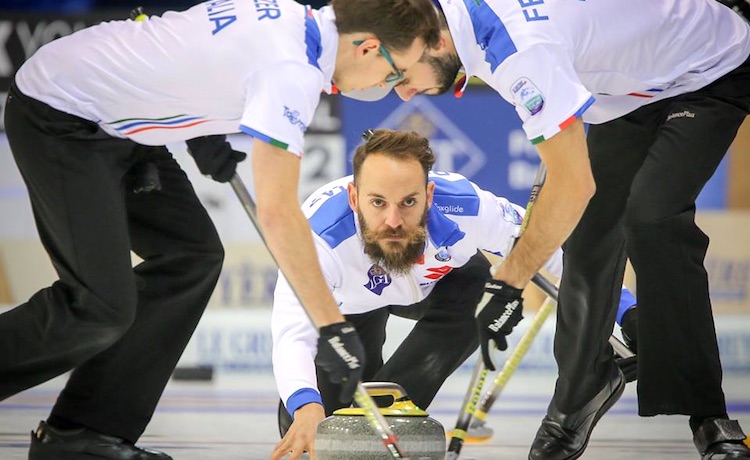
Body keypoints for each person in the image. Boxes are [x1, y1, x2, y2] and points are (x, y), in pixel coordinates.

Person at [0, 1, 440, 459]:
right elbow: (277, 213)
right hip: (62, 113)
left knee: (191, 257)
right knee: (96, 306)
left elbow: (190, 44)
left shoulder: (294, 17)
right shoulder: (292, 70)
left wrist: (201, 128)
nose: (394, 88)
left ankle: (83, 435)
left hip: (120, 123)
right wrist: (331, 326)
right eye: (396, 74)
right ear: (368, 48)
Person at [390, 1, 750, 459]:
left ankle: (708, 413)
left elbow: (571, 182)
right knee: (587, 235)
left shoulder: (516, 47)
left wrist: (508, 284)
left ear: (436, 42)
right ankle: (580, 392)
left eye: (401, 74)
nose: (404, 94)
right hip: (628, 92)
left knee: (652, 216)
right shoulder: (458, 25)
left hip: (710, 65)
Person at [269, 128, 638, 460]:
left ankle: (395, 408)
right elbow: (291, 332)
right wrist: (305, 405)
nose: (394, 221)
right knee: (319, 422)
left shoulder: (465, 206)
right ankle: (340, 407)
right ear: (353, 197)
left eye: (409, 202)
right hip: (345, 310)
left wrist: (627, 311)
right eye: (378, 203)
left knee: (481, 289)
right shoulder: (318, 238)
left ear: (429, 195)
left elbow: (552, 248)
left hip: (439, 288)